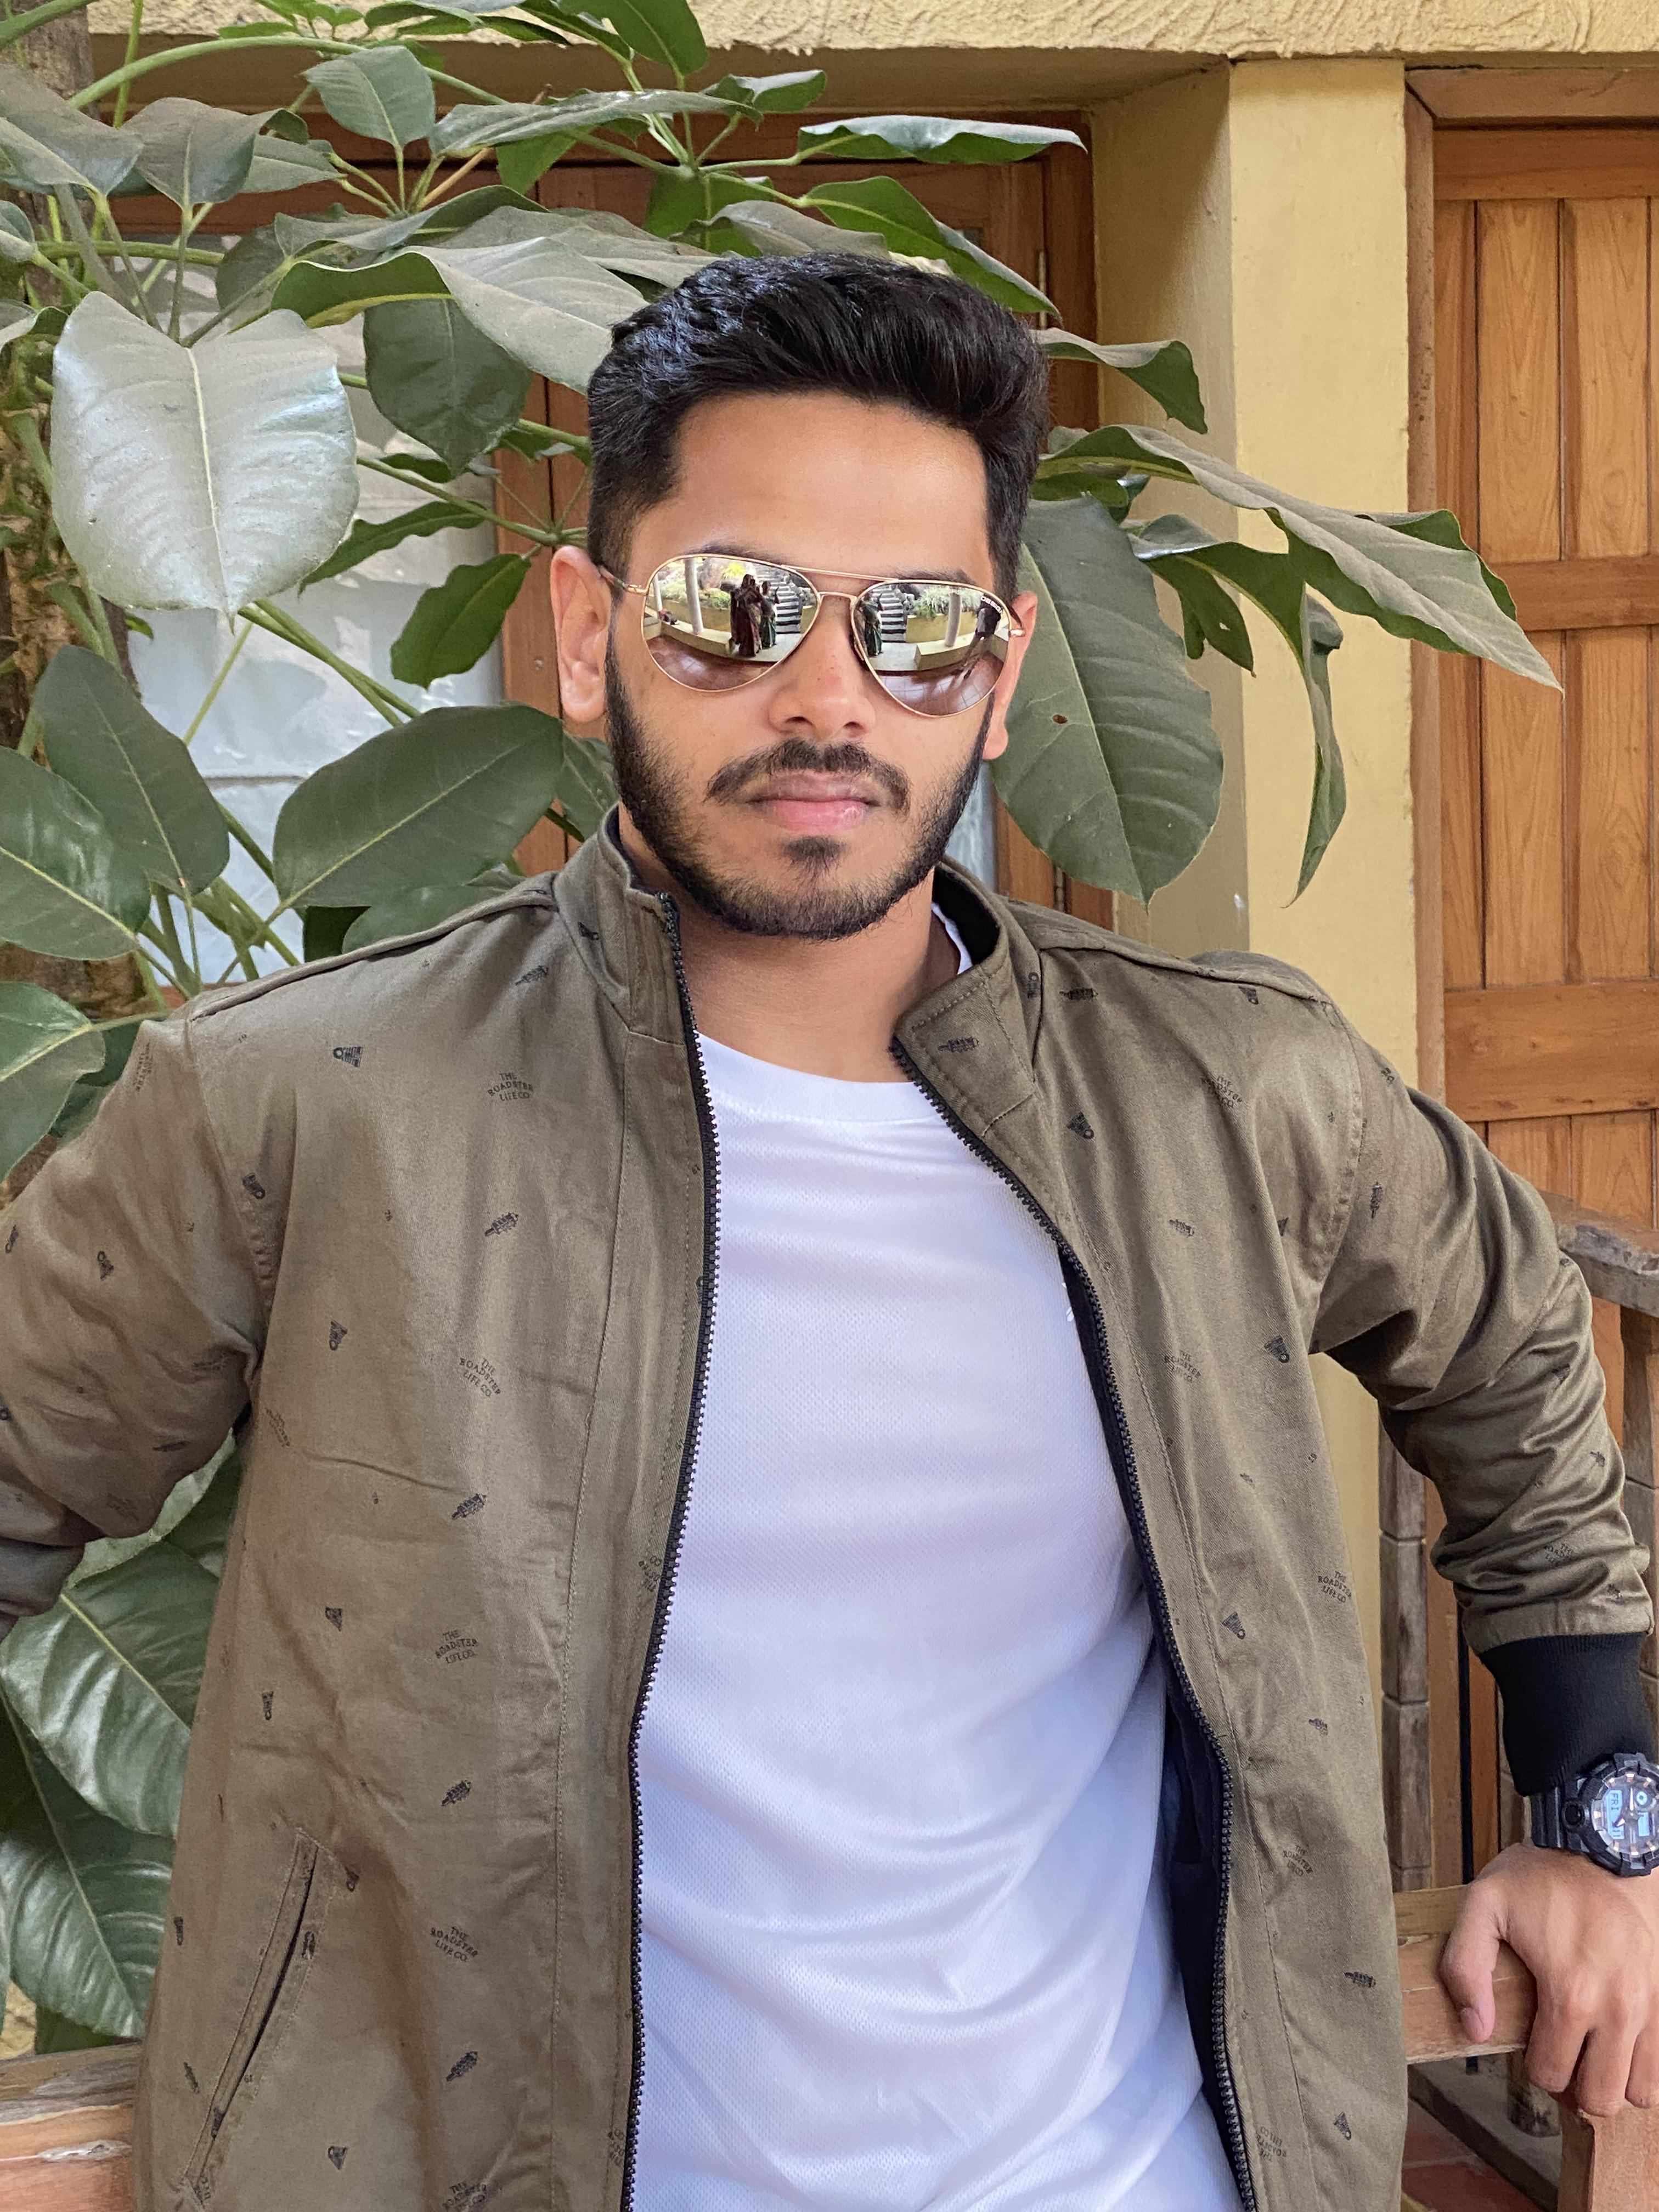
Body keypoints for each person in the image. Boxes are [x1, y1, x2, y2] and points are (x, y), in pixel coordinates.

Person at [0, 255, 1653, 2212]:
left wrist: (1602, 1811)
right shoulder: (305, 1103)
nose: (826, 698)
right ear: (591, 636)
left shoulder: (1222, 1092)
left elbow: (1511, 1337)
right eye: (734, 611)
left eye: (915, 628)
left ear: (1001, 674)